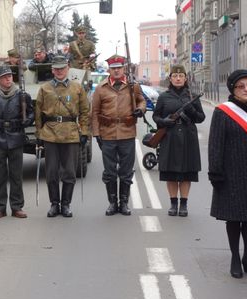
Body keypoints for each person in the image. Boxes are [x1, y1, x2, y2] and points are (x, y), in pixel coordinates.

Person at [208, 69, 247, 279]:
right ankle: (235, 257)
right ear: (233, 89)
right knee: (234, 219)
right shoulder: (223, 112)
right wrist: (216, 173)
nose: (246, 89)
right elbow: (215, 145)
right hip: (231, 175)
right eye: (241, 86)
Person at [35, 56, 90, 218]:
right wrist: (38, 134)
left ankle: (66, 204)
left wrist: (84, 132)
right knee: (51, 172)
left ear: (67, 68)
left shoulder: (77, 88)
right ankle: (54, 204)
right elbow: (38, 113)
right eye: (56, 69)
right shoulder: (44, 88)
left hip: (71, 134)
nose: (59, 72)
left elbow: (85, 111)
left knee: (70, 172)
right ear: (52, 70)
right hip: (50, 133)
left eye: (62, 68)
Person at [91, 54, 146, 216]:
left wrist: (140, 109)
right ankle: (112, 203)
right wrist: (96, 133)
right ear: (109, 69)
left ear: (124, 69)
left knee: (126, 171)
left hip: (127, 133)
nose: (116, 71)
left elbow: (142, 100)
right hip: (107, 135)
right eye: (113, 68)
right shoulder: (101, 88)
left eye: (119, 68)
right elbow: (94, 113)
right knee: (109, 172)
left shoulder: (132, 86)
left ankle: (124, 203)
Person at [152, 64, 205, 217]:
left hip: (188, 137)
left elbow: (201, 118)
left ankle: (184, 205)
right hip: (170, 137)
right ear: (170, 78)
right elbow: (156, 116)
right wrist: (164, 121)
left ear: (185, 78)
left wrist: (191, 110)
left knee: (187, 173)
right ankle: (173, 203)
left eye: (181, 76)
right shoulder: (164, 96)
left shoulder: (192, 96)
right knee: (171, 173)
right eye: (175, 76)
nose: (178, 78)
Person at [0, 65, 34, 219]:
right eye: (5, 77)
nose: (8, 79)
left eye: (10, 76)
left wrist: (27, 120)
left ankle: (17, 207)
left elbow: (32, 112)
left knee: (16, 175)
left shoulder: (22, 95)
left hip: (16, 137)